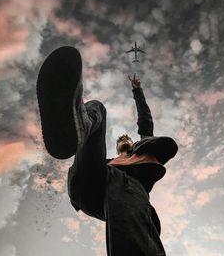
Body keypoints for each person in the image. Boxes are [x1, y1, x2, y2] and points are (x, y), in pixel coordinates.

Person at [36, 46, 178, 256]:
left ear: (131, 144)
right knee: (98, 108)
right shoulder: (109, 160)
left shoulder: (140, 152)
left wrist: (137, 91)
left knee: (133, 224)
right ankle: (80, 123)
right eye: (120, 139)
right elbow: (96, 159)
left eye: (125, 139)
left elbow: (145, 121)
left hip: (126, 190)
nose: (123, 140)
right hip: (90, 180)